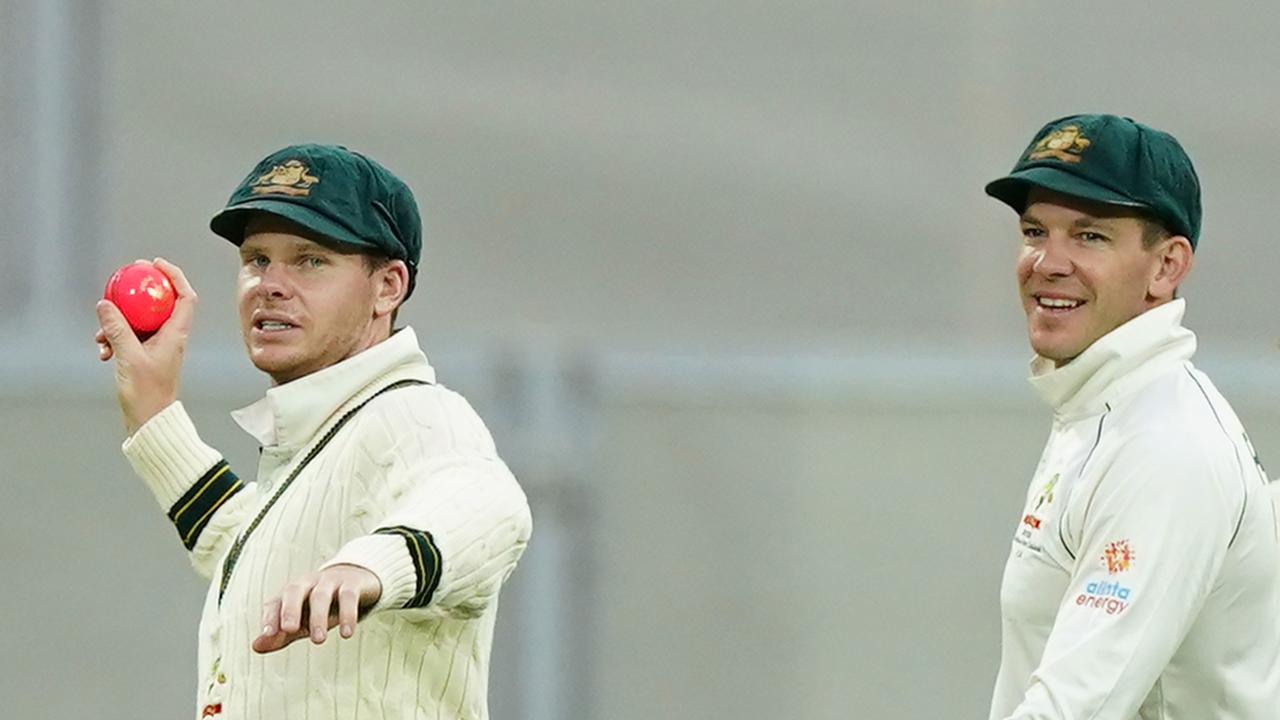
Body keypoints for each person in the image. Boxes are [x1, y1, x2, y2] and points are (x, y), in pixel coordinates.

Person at [95, 144, 532, 720]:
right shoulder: (329, 435)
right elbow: (250, 549)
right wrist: (154, 413)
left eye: (310, 260)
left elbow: (489, 508)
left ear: (387, 287)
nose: (269, 284)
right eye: (257, 259)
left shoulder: (415, 414)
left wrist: (372, 567)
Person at [984, 114, 1280, 718]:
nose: (1048, 262)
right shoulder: (1103, 407)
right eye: (1036, 230)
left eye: (1090, 236)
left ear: (1166, 266)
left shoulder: (1162, 446)